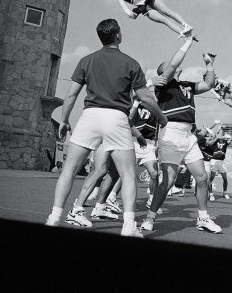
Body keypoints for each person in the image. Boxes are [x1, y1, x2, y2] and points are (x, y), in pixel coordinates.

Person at [44, 19, 168, 237]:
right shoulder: (130, 63)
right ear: (118, 35)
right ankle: (128, 226)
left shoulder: (87, 60)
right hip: (116, 118)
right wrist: (161, 117)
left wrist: (63, 119)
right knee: (128, 174)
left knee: (69, 170)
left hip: (89, 116)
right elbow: (145, 97)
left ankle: (54, 217)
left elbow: (71, 94)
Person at [140, 37, 222, 233]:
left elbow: (209, 84)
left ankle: (203, 218)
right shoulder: (164, 84)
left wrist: (209, 65)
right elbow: (175, 62)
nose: (174, 66)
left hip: (189, 134)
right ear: (163, 72)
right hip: (172, 133)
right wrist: (187, 43)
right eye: (168, 66)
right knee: (168, 180)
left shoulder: (186, 85)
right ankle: (150, 217)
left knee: (202, 178)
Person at [209, 125, 232, 201]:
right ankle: (211, 194)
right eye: (224, 137)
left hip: (221, 162)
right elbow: (216, 134)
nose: (225, 138)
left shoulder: (226, 143)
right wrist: (219, 128)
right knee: (211, 178)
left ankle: (225, 193)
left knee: (225, 178)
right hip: (214, 161)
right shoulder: (216, 141)